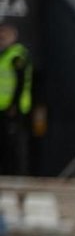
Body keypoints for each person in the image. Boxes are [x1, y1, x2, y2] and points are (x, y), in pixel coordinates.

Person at [0, 24, 32, 176]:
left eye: (5, 35)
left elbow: (20, 82)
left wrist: (14, 105)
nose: (2, 38)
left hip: (15, 109)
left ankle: (18, 178)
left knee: (15, 147)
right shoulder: (3, 55)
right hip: (2, 107)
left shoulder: (17, 55)